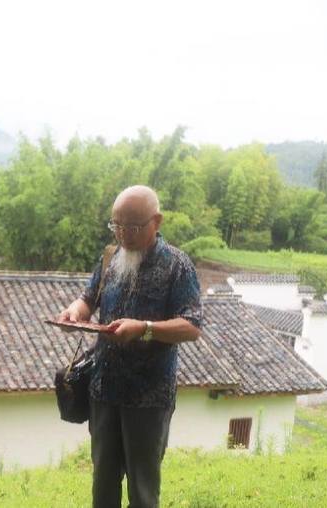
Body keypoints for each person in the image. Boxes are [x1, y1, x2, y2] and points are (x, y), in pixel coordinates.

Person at [58, 185, 203, 508]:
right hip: (103, 390)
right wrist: (74, 313)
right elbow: (88, 298)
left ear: (157, 221)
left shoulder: (177, 266)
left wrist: (145, 329)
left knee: (143, 489)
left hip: (148, 397)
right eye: (117, 225)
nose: (124, 234)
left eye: (134, 226)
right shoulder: (111, 257)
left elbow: (193, 326)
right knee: (103, 483)